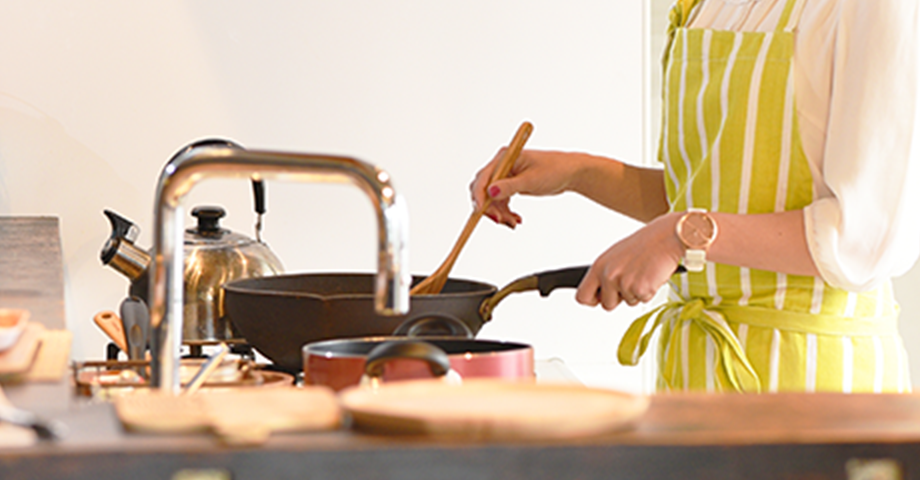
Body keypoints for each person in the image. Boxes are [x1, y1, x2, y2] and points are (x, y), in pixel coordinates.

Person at [471, 0, 920, 393]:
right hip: (694, 375)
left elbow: (869, 238)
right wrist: (578, 172)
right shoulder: (705, 5)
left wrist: (682, 237)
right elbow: (705, 196)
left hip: (812, 389)